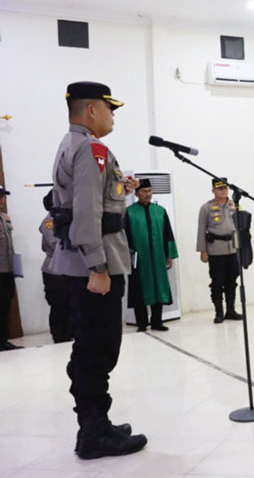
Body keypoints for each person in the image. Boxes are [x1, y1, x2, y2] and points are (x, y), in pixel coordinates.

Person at [50, 81, 147, 458]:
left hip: (81, 262)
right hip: (97, 264)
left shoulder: (70, 143)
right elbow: (88, 213)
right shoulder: (93, 148)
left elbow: (88, 200)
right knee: (98, 349)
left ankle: (96, 424)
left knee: (90, 346)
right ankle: (94, 434)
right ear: (91, 110)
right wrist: (99, 266)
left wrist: (120, 188)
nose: (113, 115)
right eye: (110, 108)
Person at [125, 179, 178, 332]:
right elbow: (125, 237)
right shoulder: (129, 212)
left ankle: (157, 322)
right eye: (144, 191)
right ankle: (142, 323)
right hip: (138, 259)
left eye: (149, 191)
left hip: (157, 257)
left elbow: (168, 234)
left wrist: (169, 255)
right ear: (136, 193)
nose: (147, 194)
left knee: (158, 286)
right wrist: (127, 257)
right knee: (139, 289)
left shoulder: (160, 211)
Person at [197, 178, 243, 324]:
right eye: (219, 188)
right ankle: (219, 312)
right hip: (216, 250)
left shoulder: (234, 205)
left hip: (233, 249)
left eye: (225, 188)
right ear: (213, 191)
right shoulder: (207, 207)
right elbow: (201, 229)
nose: (223, 191)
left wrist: (242, 248)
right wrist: (203, 251)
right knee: (217, 282)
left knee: (232, 281)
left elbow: (241, 228)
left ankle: (231, 310)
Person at [40, 189, 71, 343]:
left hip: (66, 268)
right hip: (53, 269)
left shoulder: (64, 219)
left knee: (69, 302)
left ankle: (68, 332)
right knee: (58, 304)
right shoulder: (49, 221)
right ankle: (58, 335)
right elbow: (55, 243)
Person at [0, 185, 21, 351]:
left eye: (2, 196)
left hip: (7, 270)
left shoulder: (5, 217)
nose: (1, 199)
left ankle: (3, 340)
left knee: (5, 305)